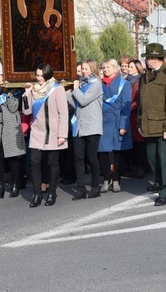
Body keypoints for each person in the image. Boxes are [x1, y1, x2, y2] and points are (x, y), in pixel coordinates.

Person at [137, 43, 166, 206]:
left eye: (148, 58)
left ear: (154, 59)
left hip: (164, 125)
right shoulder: (146, 76)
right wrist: (139, 122)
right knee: (152, 157)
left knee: (164, 159)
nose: (146, 61)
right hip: (149, 124)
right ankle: (159, 181)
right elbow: (142, 102)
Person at [23, 63, 68, 207]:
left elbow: (63, 113)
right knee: (34, 162)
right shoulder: (34, 90)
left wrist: (62, 134)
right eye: (37, 75)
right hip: (37, 131)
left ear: (48, 75)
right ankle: (37, 193)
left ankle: (52, 192)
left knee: (52, 163)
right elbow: (27, 111)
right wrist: (26, 93)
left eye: (41, 75)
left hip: (52, 132)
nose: (39, 78)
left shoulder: (57, 89)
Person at [0, 62, 27, 200]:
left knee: (12, 158)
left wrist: (9, 92)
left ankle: (15, 184)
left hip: (10, 127)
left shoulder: (15, 90)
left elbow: (13, 108)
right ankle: (0, 187)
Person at [67, 59, 103, 200]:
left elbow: (83, 100)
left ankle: (95, 185)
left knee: (91, 157)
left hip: (92, 125)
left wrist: (75, 89)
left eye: (86, 69)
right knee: (78, 157)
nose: (83, 71)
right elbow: (75, 102)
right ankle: (80, 188)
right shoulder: (82, 84)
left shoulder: (96, 84)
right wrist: (69, 93)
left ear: (92, 69)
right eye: (82, 69)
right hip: (79, 126)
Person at [98, 59, 133, 193]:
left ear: (115, 68)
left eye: (107, 67)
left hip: (118, 121)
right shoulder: (100, 85)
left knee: (118, 152)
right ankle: (107, 179)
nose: (105, 69)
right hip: (103, 121)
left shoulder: (124, 84)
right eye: (104, 67)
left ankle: (117, 179)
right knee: (103, 152)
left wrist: (123, 125)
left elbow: (126, 106)